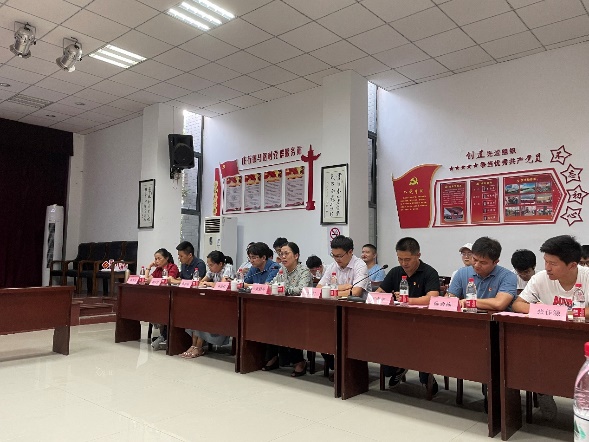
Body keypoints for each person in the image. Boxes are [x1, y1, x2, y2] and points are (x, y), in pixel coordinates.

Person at [513, 235, 589, 421]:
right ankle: (543, 390)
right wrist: (544, 310)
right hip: (549, 338)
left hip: (581, 339)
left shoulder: (587, 276)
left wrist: (565, 313)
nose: (547, 268)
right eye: (545, 261)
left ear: (572, 265)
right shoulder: (541, 278)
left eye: (553, 263)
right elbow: (518, 304)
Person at [376, 237, 440, 391]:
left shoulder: (429, 272)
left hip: (423, 326)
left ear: (418, 255)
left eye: (407, 259)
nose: (403, 263)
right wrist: (384, 297)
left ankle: (426, 376)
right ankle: (399, 367)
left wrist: (408, 300)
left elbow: (433, 298)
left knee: (421, 349)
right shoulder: (395, 272)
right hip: (397, 325)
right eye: (400, 259)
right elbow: (379, 293)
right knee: (387, 369)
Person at [317, 235, 369, 377]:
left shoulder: (360, 265)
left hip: (357, 314)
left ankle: (349, 371)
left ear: (350, 252)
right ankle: (337, 368)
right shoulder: (332, 266)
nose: (337, 259)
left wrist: (332, 289)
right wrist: (343, 287)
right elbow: (319, 288)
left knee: (347, 340)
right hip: (335, 311)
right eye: (334, 255)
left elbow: (356, 292)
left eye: (339, 256)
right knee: (320, 335)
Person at [263, 242, 313, 376]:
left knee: (289, 325)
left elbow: (301, 289)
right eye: (281, 254)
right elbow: (272, 284)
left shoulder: (304, 271)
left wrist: (282, 289)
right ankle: (274, 356)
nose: (283, 257)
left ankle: (299, 361)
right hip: (284, 310)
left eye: (286, 253)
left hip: (302, 311)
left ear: (296, 256)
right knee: (268, 322)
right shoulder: (282, 270)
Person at [180, 250, 233, 358]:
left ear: (220, 264)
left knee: (204, 316)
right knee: (195, 312)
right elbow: (201, 282)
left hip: (226, 305)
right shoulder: (212, 270)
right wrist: (205, 283)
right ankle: (193, 345)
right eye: (208, 265)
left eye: (211, 265)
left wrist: (209, 283)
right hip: (214, 303)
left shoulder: (228, 268)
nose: (209, 267)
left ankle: (199, 347)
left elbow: (223, 285)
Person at [146, 248, 179, 350]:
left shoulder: (172, 267)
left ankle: (164, 336)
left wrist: (156, 280)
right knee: (150, 306)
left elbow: (169, 280)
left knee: (162, 310)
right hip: (159, 298)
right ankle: (163, 335)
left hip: (170, 298)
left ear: (166, 258)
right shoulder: (158, 269)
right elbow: (147, 280)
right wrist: (149, 267)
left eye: (159, 258)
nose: (156, 261)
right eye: (155, 259)